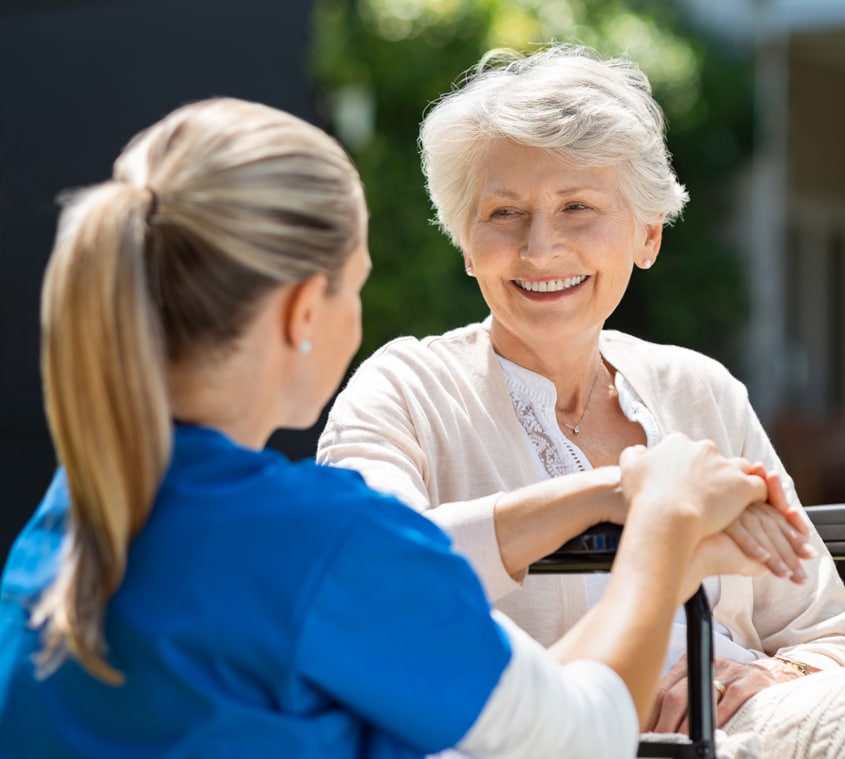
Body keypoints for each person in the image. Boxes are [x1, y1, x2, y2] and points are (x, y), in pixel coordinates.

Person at [0, 98, 788, 758]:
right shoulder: (321, 544)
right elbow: (575, 733)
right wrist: (662, 521)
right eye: (358, 287)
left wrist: (612, 493)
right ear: (305, 312)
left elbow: (519, 713)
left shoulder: (73, 515)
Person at [316, 43, 845, 740]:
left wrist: (775, 675)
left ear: (647, 233)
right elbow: (369, 568)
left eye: (576, 207)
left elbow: (824, 627)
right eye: (503, 213)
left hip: (759, 729)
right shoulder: (406, 388)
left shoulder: (698, 388)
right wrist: (618, 496)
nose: (539, 248)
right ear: (466, 243)